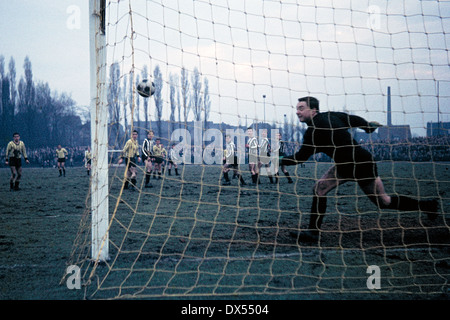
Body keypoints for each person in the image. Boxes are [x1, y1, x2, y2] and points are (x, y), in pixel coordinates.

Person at [282, 96, 439, 242]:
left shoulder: (313, 132)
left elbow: (301, 157)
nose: (297, 112)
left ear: (313, 110)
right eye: (296, 108)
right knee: (319, 189)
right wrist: (367, 126)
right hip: (350, 163)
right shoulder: (331, 116)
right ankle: (313, 233)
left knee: (383, 201)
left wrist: (279, 160)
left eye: (301, 108)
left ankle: (427, 205)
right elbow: (351, 119)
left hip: (360, 163)